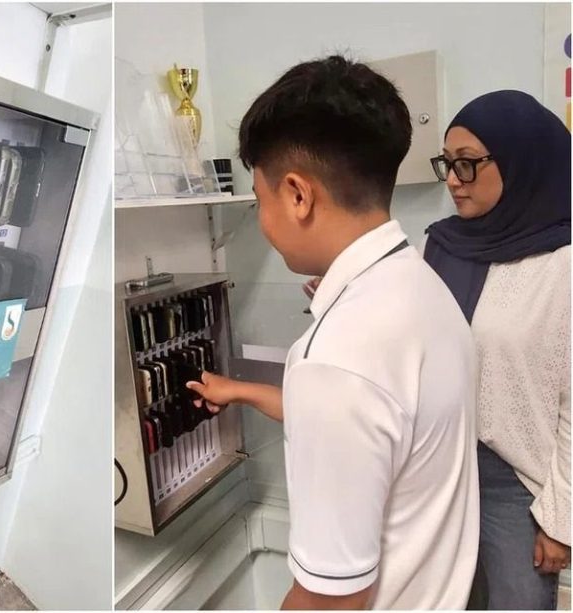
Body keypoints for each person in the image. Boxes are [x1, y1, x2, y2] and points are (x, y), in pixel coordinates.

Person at [186, 55, 480, 609]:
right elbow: (381, 429)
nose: (264, 220)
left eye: (260, 200)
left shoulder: (340, 356)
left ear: (297, 194)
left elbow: (332, 600)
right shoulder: (421, 284)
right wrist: (242, 391)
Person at [425, 90, 571, 610]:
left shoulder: (564, 264)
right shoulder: (443, 246)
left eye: (467, 165)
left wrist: (560, 520)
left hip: (518, 486)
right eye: (447, 163)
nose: (451, 180)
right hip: (440, 468)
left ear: (522, 161)